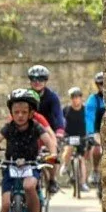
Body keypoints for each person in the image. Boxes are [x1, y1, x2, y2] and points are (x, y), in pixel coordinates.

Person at [27, 65, 65, 194]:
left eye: (41, 79)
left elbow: (58, 115)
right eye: (34, 79)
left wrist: (60, 130)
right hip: (29, 130)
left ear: (46, 81)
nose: (37, 82)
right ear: (30, 81)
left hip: (49, 130)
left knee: (51, 153)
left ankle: (52, 180)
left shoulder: (52, 97)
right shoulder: (25, 95)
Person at [62, 88, 92, 193]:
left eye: (77, 97)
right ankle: (65, 165)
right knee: (68, 149)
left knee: (82, 160)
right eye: (73, 98)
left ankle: (83, 183)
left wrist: (91, 134)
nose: (75, 100)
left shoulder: (86, 110)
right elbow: (61, 123)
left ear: (81, 98)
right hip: (69, 136)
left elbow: (91, 123)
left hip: (82, 137)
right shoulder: (66, 110)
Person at [88, 72, 106, 195]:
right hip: (98, 132)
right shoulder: (94, 99)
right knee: (96, 149)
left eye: (104, 83)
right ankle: (95, 170)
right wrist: (90, 133)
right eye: (100, 83)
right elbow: (89, 116)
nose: (102, 86)